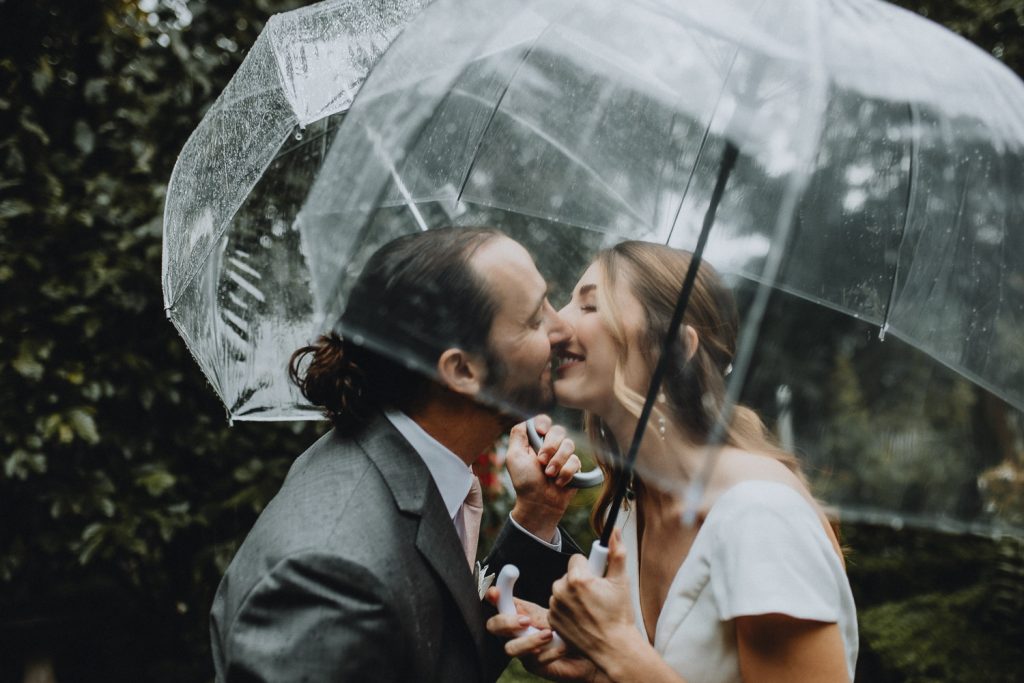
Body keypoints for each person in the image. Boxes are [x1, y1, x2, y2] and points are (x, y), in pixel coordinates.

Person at [210, 227, 584, 682]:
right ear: (463, 370)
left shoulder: (393, 464)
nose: (562, 327)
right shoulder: (330, 578)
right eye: (533, 320)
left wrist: (537, 515)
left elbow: (434, 654)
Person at [487, 241, 858, 682]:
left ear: (674, 348)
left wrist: (617, 649)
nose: (556, 324)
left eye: (589, 306)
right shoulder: (633, 505)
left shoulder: (761, 514)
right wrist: (595, 665)